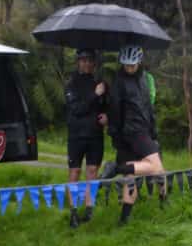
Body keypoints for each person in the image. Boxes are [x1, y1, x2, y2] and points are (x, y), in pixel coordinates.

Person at [102, 45, 164, 226]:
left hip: (143, 130)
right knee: (156, 167)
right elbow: (114, 112)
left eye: (132, 65)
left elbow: (148, 108)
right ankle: (117, 168)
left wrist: (153, 131)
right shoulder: (119, 82)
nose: (129, 68)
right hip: (132, 132)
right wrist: (116, 137)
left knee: (131, 181)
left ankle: (123, 221)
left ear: (139, 62)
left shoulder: (144, 79)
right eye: (126, 65)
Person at [64, 49, 108, 228]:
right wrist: (94, 95)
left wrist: (107, 116)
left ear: (94, 64)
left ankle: (89, 211)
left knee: (92, 172)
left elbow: (106, 106)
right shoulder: (71, 84)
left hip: (95, 136)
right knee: (74, 173)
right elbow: (77, 109)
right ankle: (73, 212)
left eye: (90, 61)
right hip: (76, 136)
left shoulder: (100, 84)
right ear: (78, 62)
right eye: (84, 60)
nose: (87, 64)